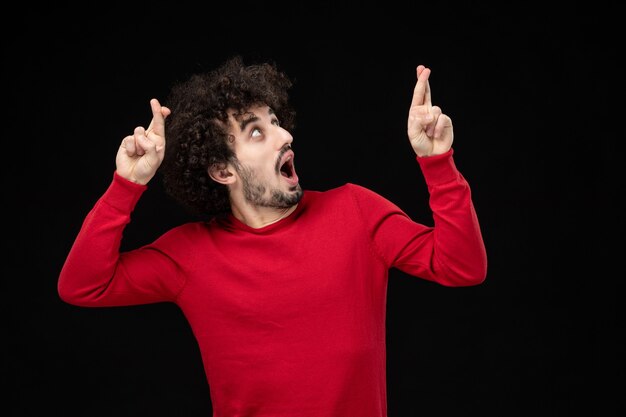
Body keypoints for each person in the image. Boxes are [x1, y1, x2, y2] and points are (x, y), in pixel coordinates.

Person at [58, 55, 487, 416]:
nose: (285, 135)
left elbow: (462, 266)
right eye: (256, 131)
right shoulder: (189, 256)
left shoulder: (355, 211)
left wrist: (438, 163)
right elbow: (83, 285)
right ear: (224, 170)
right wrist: (125, 185)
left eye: (276, 121)